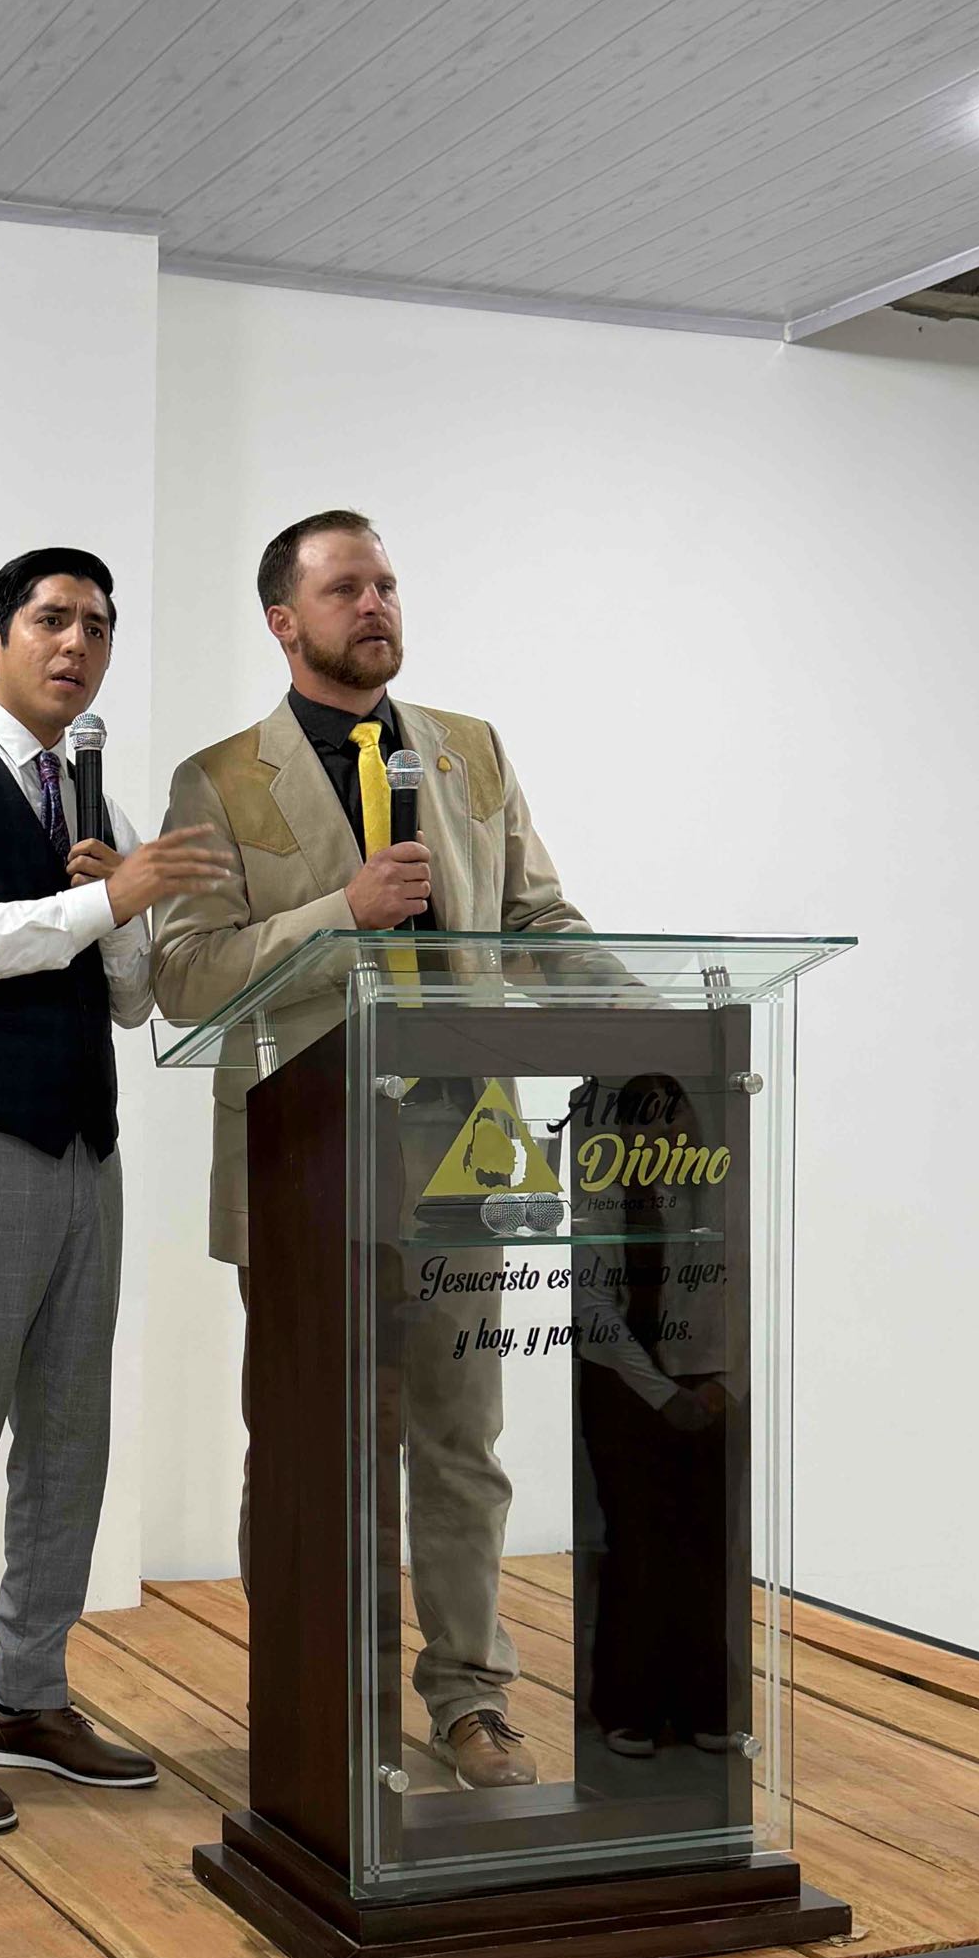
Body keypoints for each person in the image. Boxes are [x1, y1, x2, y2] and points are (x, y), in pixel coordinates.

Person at [152, 509, 591, 1791]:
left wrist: (642, 1020)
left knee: (461, 1440)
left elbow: (540, 917)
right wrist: (334, 915)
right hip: (309, 1157)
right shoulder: (218, 780)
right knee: (312, 1444)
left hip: (468, 1152)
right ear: (284, 621)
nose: (377, 604)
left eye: (387, 582)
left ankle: (472, 1700)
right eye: (346, 587)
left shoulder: (468, 750)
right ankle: (320, 1693)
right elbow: (186, 976)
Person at [0, 546, 233, 1831]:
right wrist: (96, 902)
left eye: (99, 627)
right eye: (52, 620)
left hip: (86, 1148)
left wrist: (117, 909)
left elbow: (123, 1001)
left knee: (72, 1443)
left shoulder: (92, 794)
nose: (77, 644)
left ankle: (29, 1696)